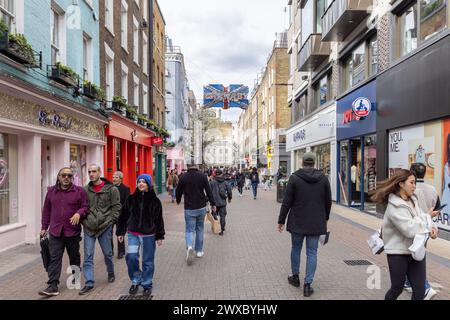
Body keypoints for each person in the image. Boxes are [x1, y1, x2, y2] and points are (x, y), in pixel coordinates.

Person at [370, 169, 439, 300]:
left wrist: (432, 228)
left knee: (420, 291)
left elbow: (420, 218)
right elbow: (410, 229)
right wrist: (427, 217)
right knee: (397, 288)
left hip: (416, 251)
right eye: (412, 183)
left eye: (415, 183)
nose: (414, 186)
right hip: (398, 253)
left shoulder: (413, 200)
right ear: (401, 184)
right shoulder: (394, 206)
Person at [277, 152, 331, 297]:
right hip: (316, 222)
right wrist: (326, 217)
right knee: (312, 252)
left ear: (302, 163)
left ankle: (295, 277)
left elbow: (286, 201)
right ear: (314, 163)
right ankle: (307, 285)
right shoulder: (323, 179)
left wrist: (281, 220)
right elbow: (328, 201)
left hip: (297, 221)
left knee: (296, 248)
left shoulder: (294, 178)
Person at [39, 167, 89, 297]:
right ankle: (52, 285)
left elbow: (85, 207)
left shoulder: (79, 191)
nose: (66, 177)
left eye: (69, 175)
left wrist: (79, 213)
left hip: (72, 231)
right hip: (55, 231)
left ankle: (76, 277)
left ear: (72, 177)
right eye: (63, 175)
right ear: (59, 177)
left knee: (74, 256)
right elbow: (46, 211)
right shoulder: (51, 192)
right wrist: (44, 227)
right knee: (54, 258)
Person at [117, 174, 165, 297]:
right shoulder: (131, 199)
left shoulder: (155, 201)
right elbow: (123, 216)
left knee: (147, 261)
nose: (141, 184)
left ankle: (147, 283)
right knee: (131, 257)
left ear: (149, 184)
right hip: (133, 233)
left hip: (149, 235)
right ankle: (135, 280)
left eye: (144, 182)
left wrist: (159, 236)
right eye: (139, 182)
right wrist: (120, 232)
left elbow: (159, 219)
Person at [79, 165, 121, 295]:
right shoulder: (85, 190)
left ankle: (110, 271)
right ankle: (89, 282)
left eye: (94, 171)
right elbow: (81, 207)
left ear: (100, 172)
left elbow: (116, 207)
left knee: (108, 253)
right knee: (88, 256)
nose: (91, 174)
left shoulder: (111, 189)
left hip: (104, 227)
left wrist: (111, 221)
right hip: (89, 227)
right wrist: (84, 221)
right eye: (89, 172)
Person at [403, 163, 440, 299]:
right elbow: (437, 208)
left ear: (412, 172)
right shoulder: (432, 190)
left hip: (413, 226)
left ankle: (424, 286)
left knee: (411, 256)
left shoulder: (411, 189)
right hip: (426, 228)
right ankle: (410, 282)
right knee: (418, 253)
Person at [176, 164, 216, 265]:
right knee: (200, 229)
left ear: (188, 167)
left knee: (189, 230)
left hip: (189, 207)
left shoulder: (183, 177)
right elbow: (208, 191)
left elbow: (178, 190)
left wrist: (178, 199)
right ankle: (198, 251)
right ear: (196, 167)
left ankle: (189, 246)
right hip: (201, 207)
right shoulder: (202, 176)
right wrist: (213, 203)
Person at [112, 171, 130, 259]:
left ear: (120, 179)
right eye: (113, 177)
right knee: (108, 234)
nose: (114, 179)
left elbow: (126, 203)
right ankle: (110, 250)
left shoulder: (126, 189)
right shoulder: (109, 188)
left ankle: (121, 251)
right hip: (110, 215)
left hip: (121, 215)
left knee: (120, 234)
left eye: (116, 177)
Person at [209, 169, 232, 236]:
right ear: (221, 174)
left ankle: (216, 225)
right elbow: (229, 190)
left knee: (214, 214)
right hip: (222, 202)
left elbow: (209, 193)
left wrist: (208, 201)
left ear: (215, 174)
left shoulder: (212, 182)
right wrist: (229, 198)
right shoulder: (225, 182)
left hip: (214, 203)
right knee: (223, 216)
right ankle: (222, 229)